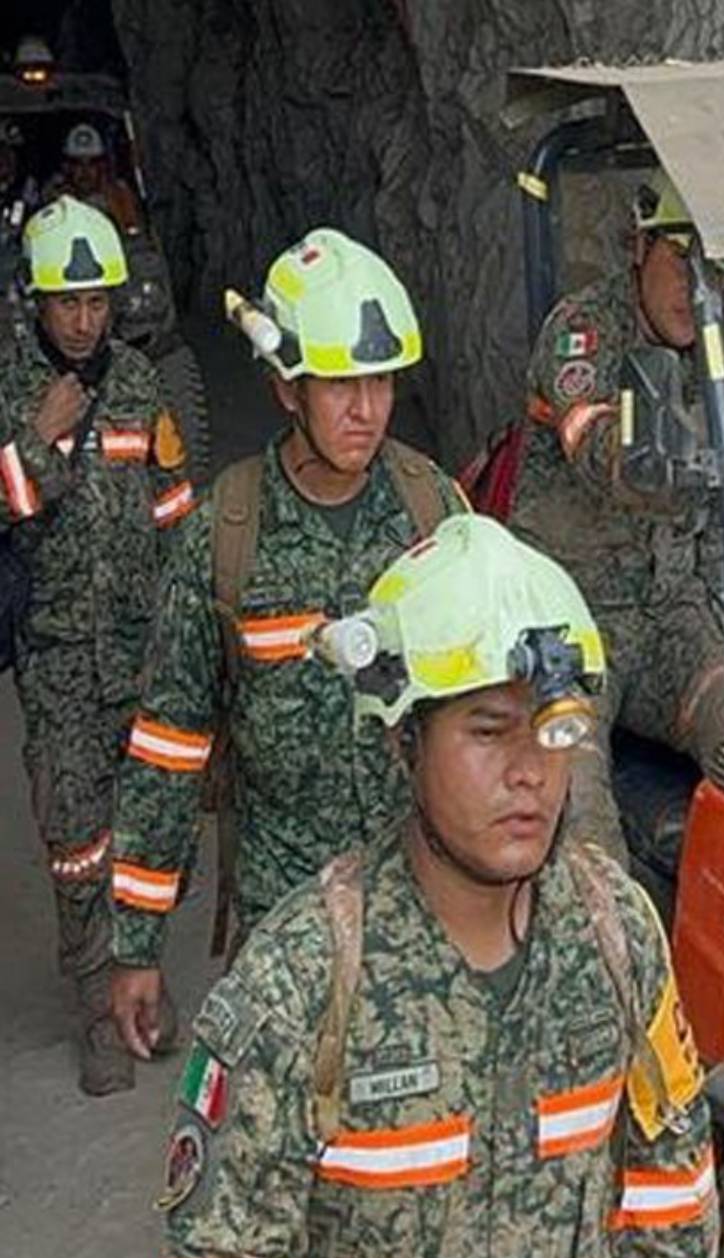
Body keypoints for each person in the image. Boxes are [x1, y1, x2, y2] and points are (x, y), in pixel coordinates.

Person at [154, 513, 717, 1258]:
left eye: (549, 730)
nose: (529, 772)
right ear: (403, 741)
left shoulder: (616, 934)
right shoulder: (299, 984)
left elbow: (673, 1200)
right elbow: (224, 1257)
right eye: (488, 732)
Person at [108, 228, 464, 1064]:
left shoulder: (434, 513)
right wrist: (135, 945)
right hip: (283, 920)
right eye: (339, 384)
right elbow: (168, 746)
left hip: (423, 908)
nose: (366, 410)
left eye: (378, 381)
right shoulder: (225, 536)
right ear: (285, 389)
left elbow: (491, 712)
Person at [509, 169, 724, 878]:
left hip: (671, 614)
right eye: (683, 262)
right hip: (573, 619)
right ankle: (622, 974)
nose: (698, 287)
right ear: (640, 246)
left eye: (716, 269)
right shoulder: (582, 334)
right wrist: (709, 421)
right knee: (581, 826)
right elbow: (605, 457)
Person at [0, 196, 194, 1094]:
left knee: (153, 828)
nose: (83, 319)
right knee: (78, 838)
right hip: (58, 657)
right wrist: (37, 440)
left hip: (140, 646)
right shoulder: (10, 389)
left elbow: (171, 503)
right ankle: (94, 1004)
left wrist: (188, 608)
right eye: (66, 302)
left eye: (97, 302)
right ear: (34, 302)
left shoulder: (142, 386)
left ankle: (136, 984)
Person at [44, 122, 141, 232]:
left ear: (102, 166)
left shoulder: (120, 196)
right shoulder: (55, 200)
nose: (85, 171)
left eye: (92, 163)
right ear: (67, 168)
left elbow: (133, 234)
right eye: (77, 163)